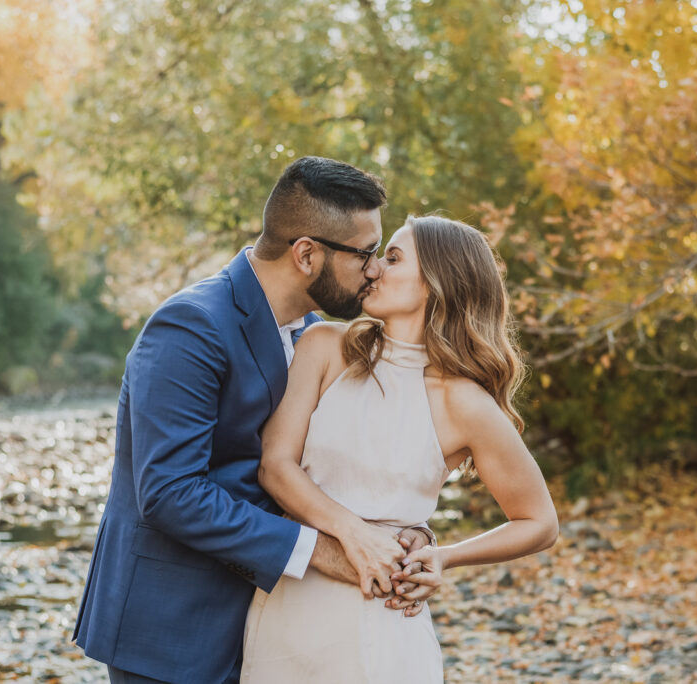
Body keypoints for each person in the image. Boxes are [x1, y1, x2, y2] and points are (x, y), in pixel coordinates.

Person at [73, 157, 435, 683]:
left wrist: (405, 533)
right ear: (307, 254)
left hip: (273, 625)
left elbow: (341, 461)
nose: (375, 269)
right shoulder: (190, 326)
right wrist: (322, 552)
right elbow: (171, 492)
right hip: (172, 628)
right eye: (366, 253)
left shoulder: (319, 338)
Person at [242, 215, 560, 683]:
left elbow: (539, 522)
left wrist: (442, 555)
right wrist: (354, 533)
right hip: (290, 604)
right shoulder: (326, 346)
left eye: (392, 258)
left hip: (383, 615)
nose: (372, 269)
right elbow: (275, 467)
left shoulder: (465, 403)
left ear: (437, 282)